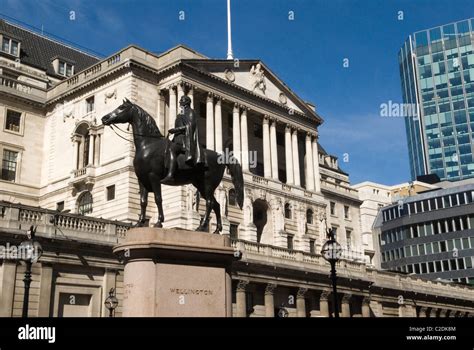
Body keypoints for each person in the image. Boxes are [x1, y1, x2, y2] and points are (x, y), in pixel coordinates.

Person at [161, 95, 205, 184]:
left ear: (186, 102)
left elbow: (190, 126)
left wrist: (176, 130)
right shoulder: (181, 114)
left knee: (171, 149)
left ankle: (170, 175)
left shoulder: (190, 112)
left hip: (184, 140)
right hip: (177, 138)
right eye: (180, 100)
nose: (180, 102)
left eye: (182, 100)